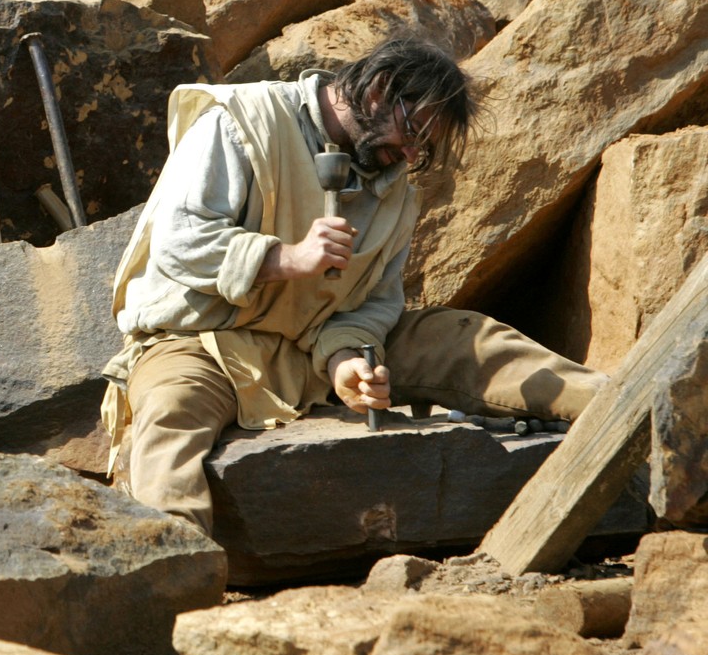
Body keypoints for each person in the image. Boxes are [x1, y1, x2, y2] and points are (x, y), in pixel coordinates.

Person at [99, 38, 606, 537]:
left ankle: (624, 406)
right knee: (170, 417)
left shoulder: (394, 187)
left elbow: (375, 302)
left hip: (308, 352)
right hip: (200, 343)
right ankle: (172, 580)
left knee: (464, 339)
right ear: (378, 90)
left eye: (424, 148)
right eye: (413, 131)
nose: (410, 152)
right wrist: (286, 257)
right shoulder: (242, 122)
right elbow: (180, 240)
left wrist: (348, 360)